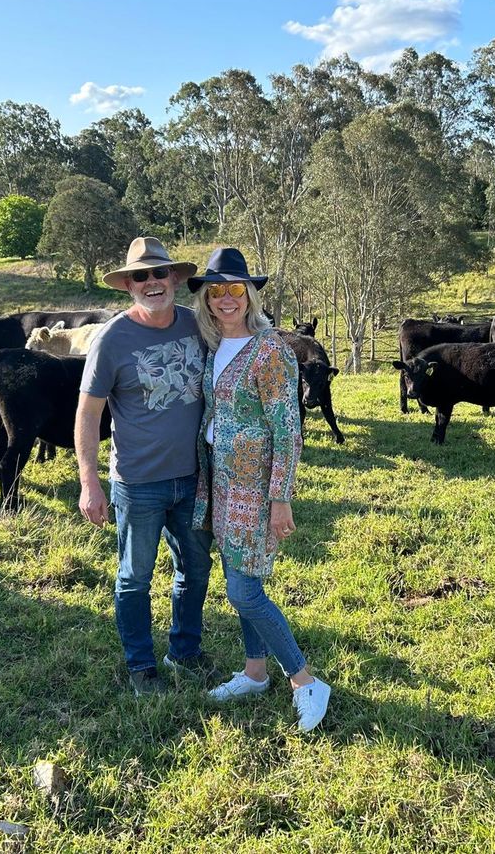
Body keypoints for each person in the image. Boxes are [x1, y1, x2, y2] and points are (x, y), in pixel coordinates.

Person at [189, 247, 331, 732]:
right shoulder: (213, 349)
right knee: (243, 579)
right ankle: (254, 671)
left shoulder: (270, 349)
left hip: (254, 486)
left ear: (249, 296)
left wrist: (280, 497)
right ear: (206, 299)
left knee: (244, 592)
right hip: (220, 483)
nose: (227, 299)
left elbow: (287, 428)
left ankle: (304, 679)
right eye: (217, 291)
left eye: (236, 290)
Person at [75, 236, 214, 696]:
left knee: (194, 569)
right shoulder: (112, 339)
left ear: (175, 278)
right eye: (141, 276)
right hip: (137, 483)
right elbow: (89, 413)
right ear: (129, 286)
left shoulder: (198, 325)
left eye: (160, 273)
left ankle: (185, 652)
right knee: (134, 578)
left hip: (193, 477)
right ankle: (141, 666)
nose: (152, 282)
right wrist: (89, 482)